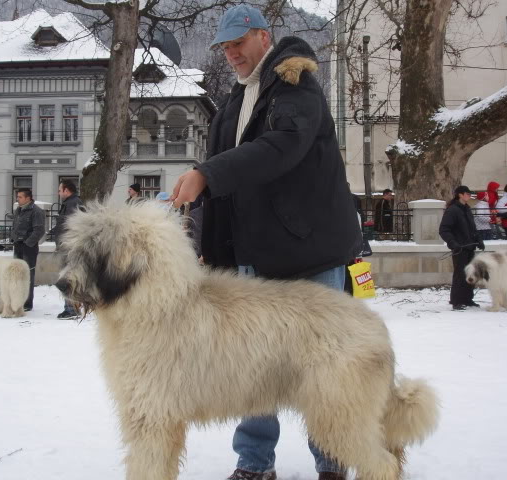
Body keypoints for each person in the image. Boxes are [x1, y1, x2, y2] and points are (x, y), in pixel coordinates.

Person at [170, 5, 361, 480]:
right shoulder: (236, 99)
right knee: (254, 369)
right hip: (256, 255)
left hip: (309, 251)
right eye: (225, 46)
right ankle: (254, 464)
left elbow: (281, 148)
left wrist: (206, 172)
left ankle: (333, 462)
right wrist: (211, 246)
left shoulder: (295, 83)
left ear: (264, 36)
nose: (231, 53)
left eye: (239, 43)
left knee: (323, 369)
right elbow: (230, 189)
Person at [439, 186, 485, 311]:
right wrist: (453, 243)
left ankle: (467, 299)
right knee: (460, 274)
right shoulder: (452, 210)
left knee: (471, 274)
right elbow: (444, 230)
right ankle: (456, 300)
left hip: (470, 247)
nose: (469, 196)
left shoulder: (467, 209)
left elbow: (473, 229)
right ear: (460, 195)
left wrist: (478, 240)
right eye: (467, 194)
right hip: (459, 248)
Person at [52, 180, 84, 319]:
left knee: (69, 277)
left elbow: (71, 225)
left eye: (60, 190)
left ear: (66, 190)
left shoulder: (72, 203)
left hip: (70, 247)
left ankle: (72, 309)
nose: (58, 193)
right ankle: (71, 308)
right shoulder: (71, 203)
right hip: (68, 245)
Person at [11, 188, 45, 311]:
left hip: (29, 248)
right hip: (18, 245)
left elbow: (39, 230)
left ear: (27, 198)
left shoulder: (36, 211)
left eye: (20, 197)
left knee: (27, 275)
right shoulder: (18, 210)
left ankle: (27, 303)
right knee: (16, 275)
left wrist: (28, 243)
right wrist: (13, 238)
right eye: (17, 196)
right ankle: (18, 300)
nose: (17, 199)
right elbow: (15, 226)